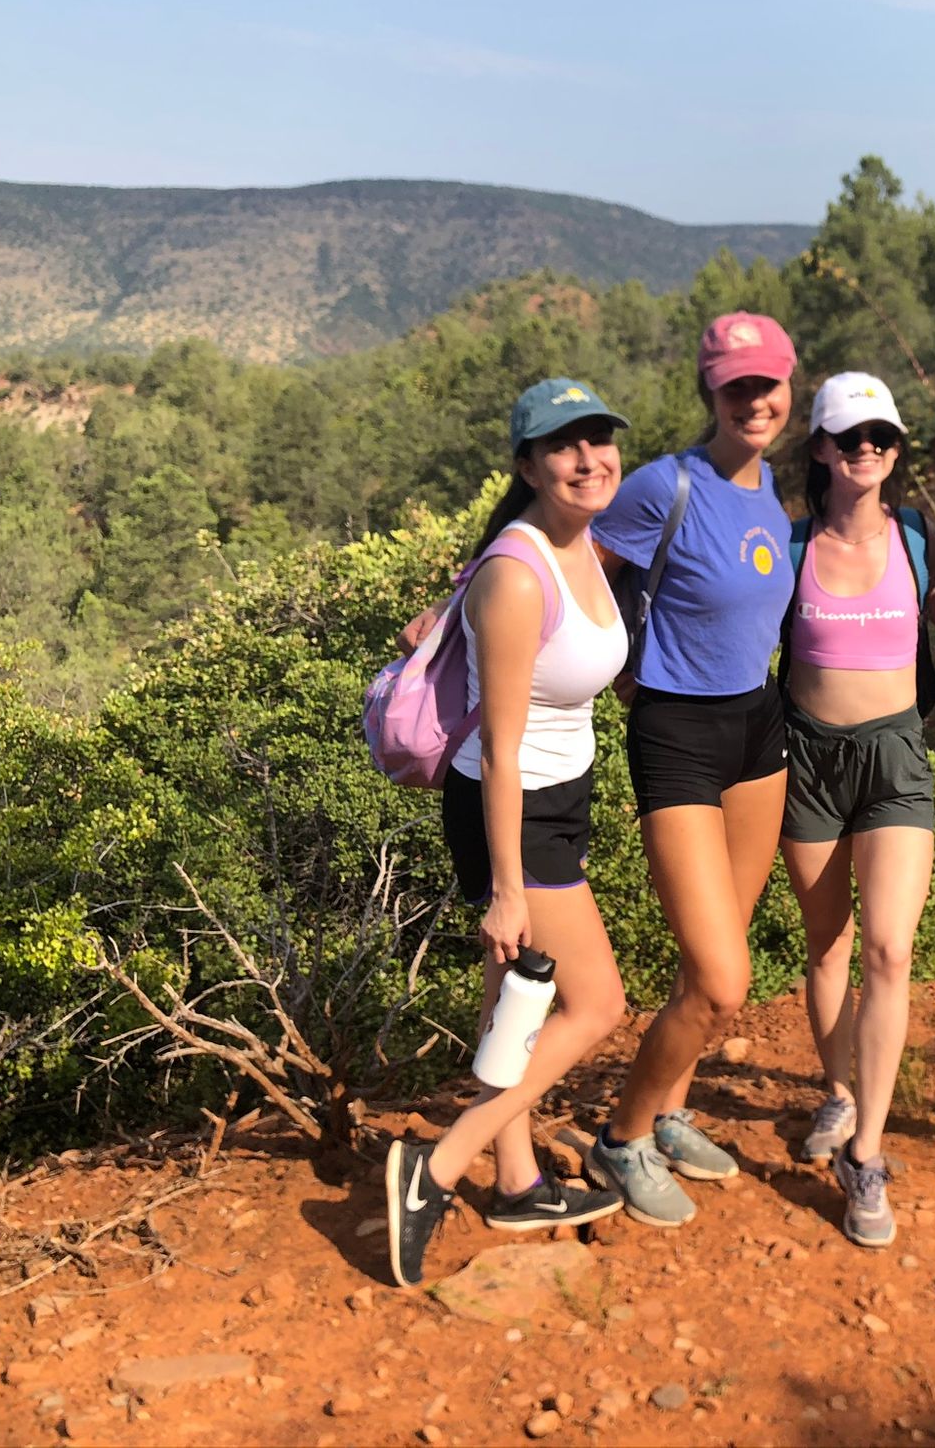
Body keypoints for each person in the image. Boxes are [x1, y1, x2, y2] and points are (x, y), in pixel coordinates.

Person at [385, 378, 635, 1288]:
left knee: (512, 1019)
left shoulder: (587, 549)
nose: (587, 459)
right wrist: (507, 888)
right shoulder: (517, 573)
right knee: (595, 1005)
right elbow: (498, 743)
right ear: (528, 463)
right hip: (512, 810)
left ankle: (519, 1181)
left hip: (553, 800)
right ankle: (438, 1166)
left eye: (599, 440)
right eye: (564, 446)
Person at [578, 313, 799, 1227]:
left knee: (716, 953)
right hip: (674, 732)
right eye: (736, 387)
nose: (755, 402)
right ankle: (620, 1136)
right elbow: (560, 559)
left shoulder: (776, 487)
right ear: (709, 392)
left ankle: (670, 1111)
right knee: (722, 979)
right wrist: (456, 608)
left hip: (759, 726)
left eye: (769, 385)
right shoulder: (662, 486)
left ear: (790, 388)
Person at [779, 371, 935, 1248]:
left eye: (881, 437)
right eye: (850, 439)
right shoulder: (788, 542)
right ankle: (837, 1094)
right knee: (828, 942)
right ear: (820, 450)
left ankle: (866, 1157)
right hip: (806, 758)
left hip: (895, 758)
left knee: (889, 947)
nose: (868, 450)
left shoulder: (924, 538)